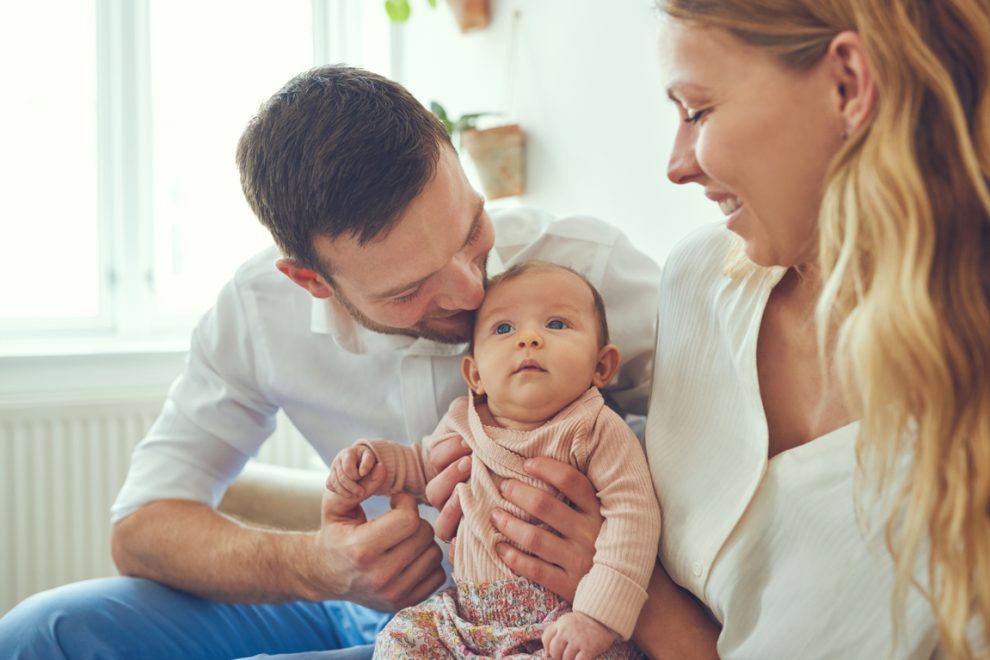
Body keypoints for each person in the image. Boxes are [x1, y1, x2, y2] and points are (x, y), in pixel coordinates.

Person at [0, 67, 661, 658]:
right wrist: (316, 565)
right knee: (41, 632)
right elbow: (142, 527)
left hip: (529, 628)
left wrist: (616, 568)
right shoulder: (257, 311)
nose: (470, 289)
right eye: (408, 290)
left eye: (472, 233)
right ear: (311, 281)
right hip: (349, 609)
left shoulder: (588, 276)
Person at [428, 0, 990, 657]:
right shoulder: (701, 278)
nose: (677, 164)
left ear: (848, 85)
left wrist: (634, 601)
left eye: (696, 110)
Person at [326, 261, 660, 659]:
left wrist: (598, 617)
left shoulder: (593, 429)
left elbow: (634, 515)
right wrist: (374, 463)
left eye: (556, 324)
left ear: (601, 365)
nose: (530, 338)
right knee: (400, 639)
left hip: (563, 623)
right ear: (475, 374)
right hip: (467, 621)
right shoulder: (462, 422)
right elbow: (421, 465)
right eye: (504, 329)